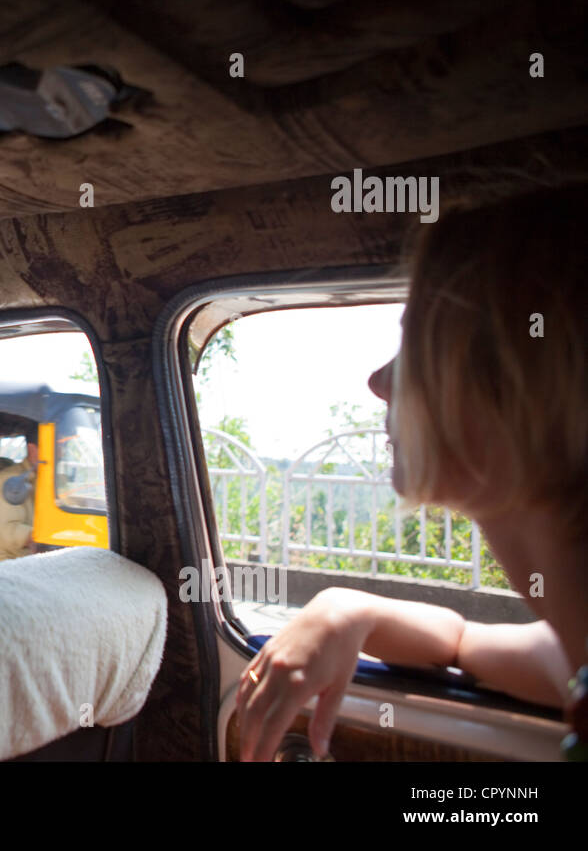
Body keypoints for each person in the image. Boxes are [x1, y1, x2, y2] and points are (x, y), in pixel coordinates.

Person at [235, 197, 588, 762]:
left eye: (419, 342)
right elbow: (463, 642)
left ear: (525, 380)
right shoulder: (575, 647)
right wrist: (347, 610)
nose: (378, 380)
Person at [0, 428, 39, 565]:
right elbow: (12, 532)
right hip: (3, 566)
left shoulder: (46, 481)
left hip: (32, 563)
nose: (61, 453)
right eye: (57, 447)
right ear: (33, 449)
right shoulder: (11, 482)